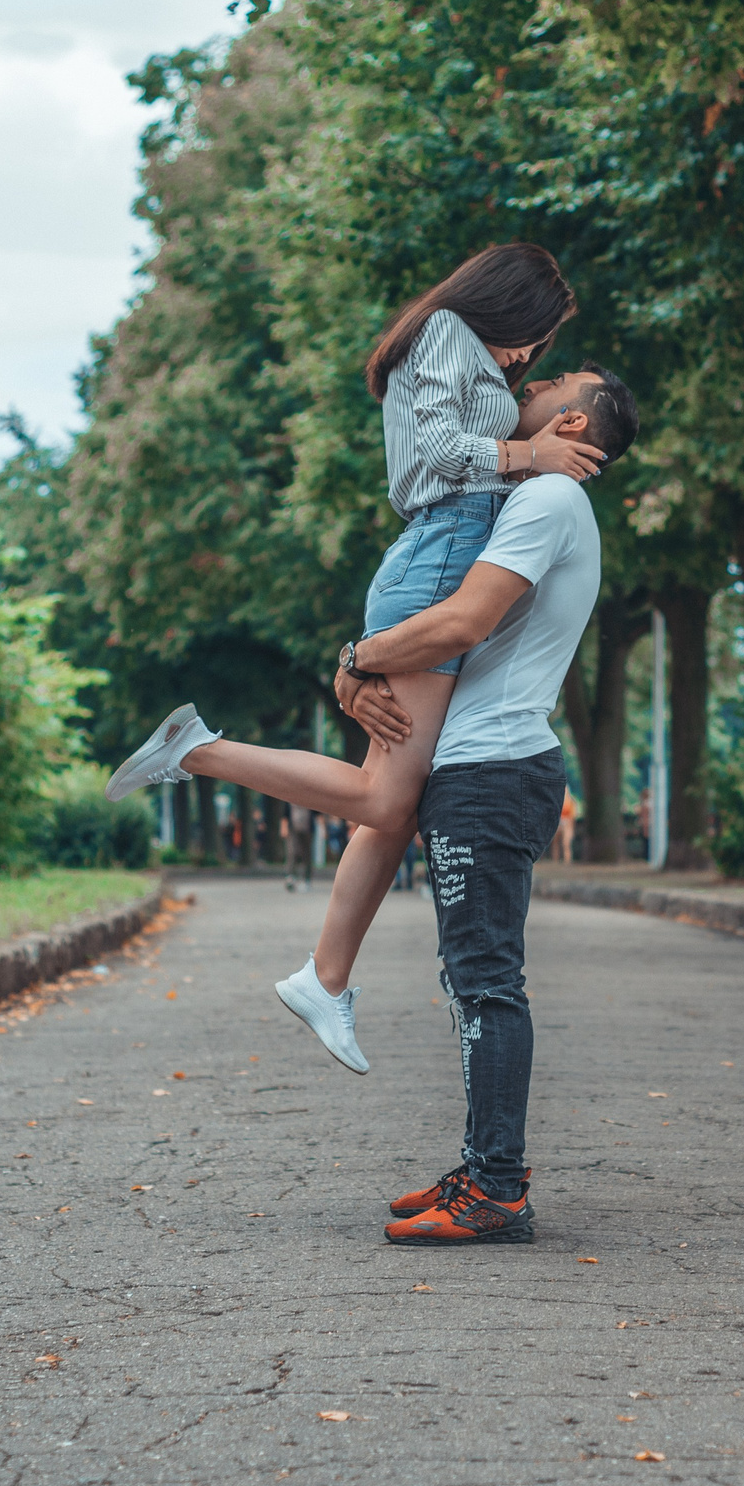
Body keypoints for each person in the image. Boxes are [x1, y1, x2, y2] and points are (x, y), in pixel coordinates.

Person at [109, 243, 602, 1076]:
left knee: (393, 803)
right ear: (507, 306)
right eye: (532, 339)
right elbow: (444, 453)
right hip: (440, 552)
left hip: (433, 553)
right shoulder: (449, 330)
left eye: (539, 355)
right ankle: (196, 750)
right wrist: (528, 456)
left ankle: (325, 976)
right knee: (385, 797)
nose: (526, 360)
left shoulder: (460, 349)